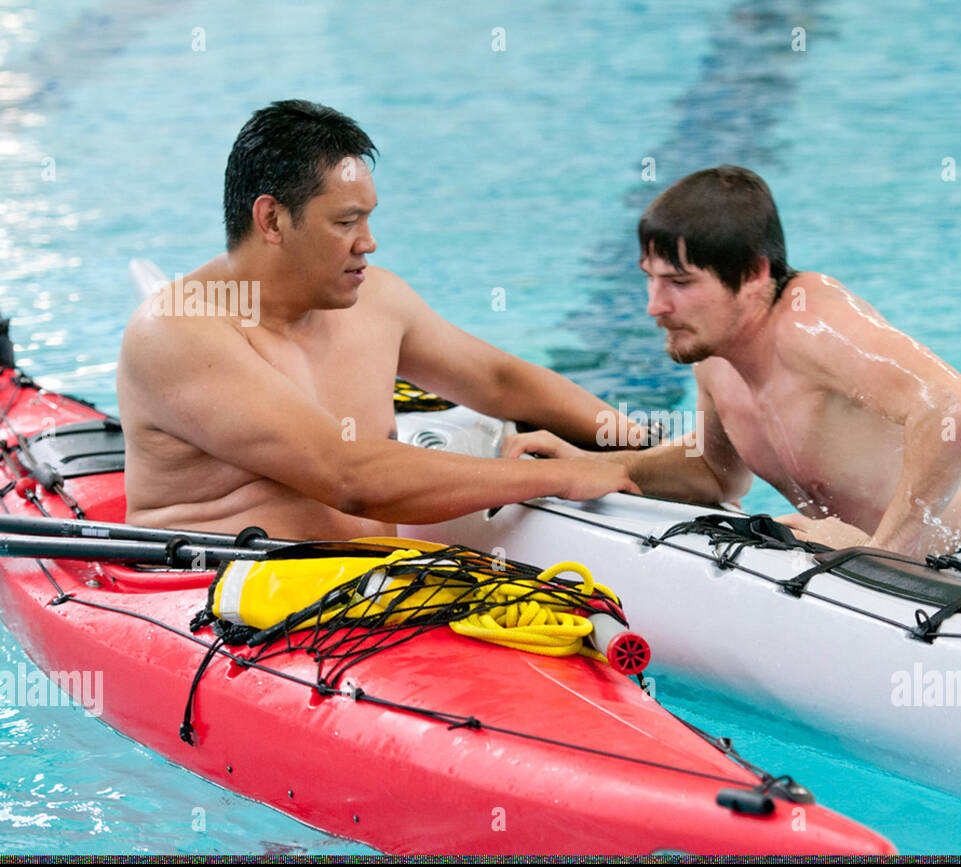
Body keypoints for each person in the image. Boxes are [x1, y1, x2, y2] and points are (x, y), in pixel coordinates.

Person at [117, 100, 642, 540]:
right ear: (272, 219)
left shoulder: (375, 300)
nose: (368, 242)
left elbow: (501, 383)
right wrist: (558, 476)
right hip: (221, 604)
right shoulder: (177, 331)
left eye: (368, 217)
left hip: (370, 592)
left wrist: (639, 451)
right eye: (347, 222)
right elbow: (350, 478)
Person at [504, 165, 961, 559]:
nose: (654, 305)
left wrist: (881, 556)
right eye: (649, 279)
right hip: (943, 560)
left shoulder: (811, 323)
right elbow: (717, 473)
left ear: (754, 275)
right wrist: (597, 466)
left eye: (679, 283)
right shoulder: (715, 350)